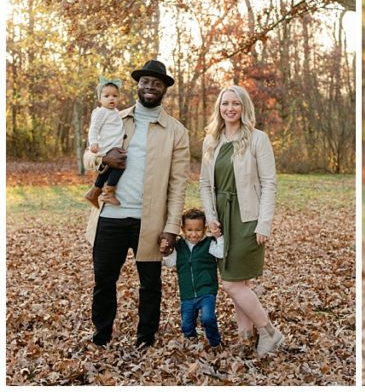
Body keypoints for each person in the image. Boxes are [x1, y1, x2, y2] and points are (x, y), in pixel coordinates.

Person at [83, 59, 189, 348]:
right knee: (104, 282)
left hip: (150, 221)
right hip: (110, 216)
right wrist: (104, 159)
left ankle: (145, 340)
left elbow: (178, 184)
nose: (150, 87)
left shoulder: (176, 132)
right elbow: (88, 156)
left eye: (157, 83)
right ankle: (101, 336)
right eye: (145, 81)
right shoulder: (115, 117)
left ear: (164, 88)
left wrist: (171, 228)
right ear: (138, 85)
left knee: (151, 285)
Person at [199, 85, 282, 355]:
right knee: (240, 284)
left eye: (236, 103)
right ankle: (245, 337)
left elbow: (269, 183)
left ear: (244, 107)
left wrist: (264, 223)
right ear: (219, 108)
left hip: (247, 216)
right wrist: (210, 216)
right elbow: (204, 184)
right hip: (221, 218)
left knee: (232, 284)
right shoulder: (211, 140)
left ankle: (270, 333)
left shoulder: (258, 139)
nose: (230, 108)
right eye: (225, 104)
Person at [161, 208, 222, 348]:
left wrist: (219, 237)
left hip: (206, 291)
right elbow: (170, 263)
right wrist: (165, 252)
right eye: (189, 230)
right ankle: (192, 342)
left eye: (198, 230)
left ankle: (215, 343)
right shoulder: (179, 245)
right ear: (183, 229)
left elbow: (221, 253)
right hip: (187, 293)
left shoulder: (208, 243)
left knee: (208, 318)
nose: (194, 234)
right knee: (186, 325)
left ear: (204, 229)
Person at [83, 77, 126, 208]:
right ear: (100, 99)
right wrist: (93, 142)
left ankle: (93, 193)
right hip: (105, 147)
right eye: (106, 96)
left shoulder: (116, 113)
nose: (111, 98)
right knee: (120, 165)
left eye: (114, 96)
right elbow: (94, 128)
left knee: (106, 171)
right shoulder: (101, 112)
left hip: (112, 147)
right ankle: (108, 192)